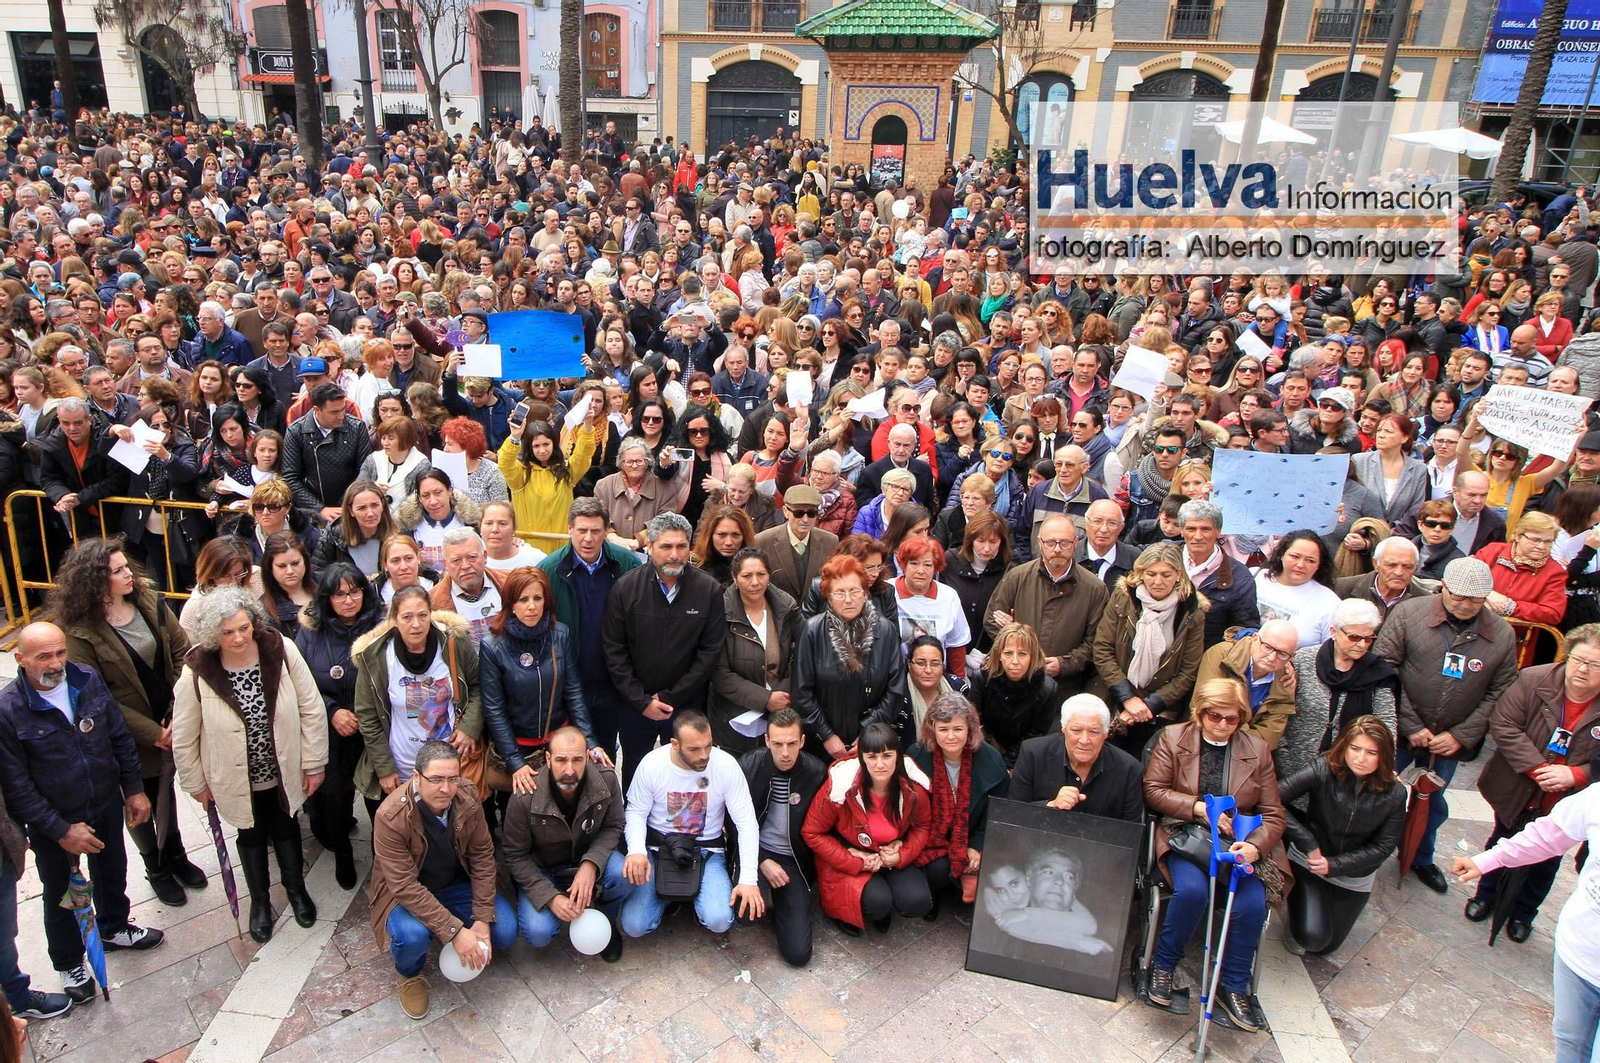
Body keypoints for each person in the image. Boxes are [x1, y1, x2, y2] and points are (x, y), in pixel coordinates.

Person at [0, 622, 163, 1004]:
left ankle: (114, 926)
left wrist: (134, 789)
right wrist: (59, 829)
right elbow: (16, 786)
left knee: (112, 870)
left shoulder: (86, 679)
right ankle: (70, 960)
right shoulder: (8, 711)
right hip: (53, 822)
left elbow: (118, 735)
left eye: (60, 652)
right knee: (61, 894)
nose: (56, 663)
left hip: (103, 801)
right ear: (20, 659)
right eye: (44, 656)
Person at [171, 588, 326, 942]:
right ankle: (259, 902)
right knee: (250, 834)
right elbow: (184, 733)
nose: (239, 637)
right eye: (228, 632)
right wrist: (195, 783)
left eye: (243, 627)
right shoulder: (198, 669)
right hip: (236, 776)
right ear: (214, 634)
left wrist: (314, 762)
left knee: (286, 827)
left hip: (282, 767)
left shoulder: (280, 650)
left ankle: (296, 891)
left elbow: (311, 707)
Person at [1143, 677, 1287, 1032]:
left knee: (1252, 904)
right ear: (1200, 713)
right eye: (1214, 717)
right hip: (1188, 835)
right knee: (1192, 892)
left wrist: (1255, 846)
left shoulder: (1257, 749)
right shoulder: (1174, 738)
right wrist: (1196, 808)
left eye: (1232, 719)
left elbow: (1273, 813)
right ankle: (1163, 963)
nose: (1222, 725)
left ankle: (1234, 984)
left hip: (1239, 842)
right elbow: (1154, 790)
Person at [1374, 557, 1521, 893]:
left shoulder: (1501, 633)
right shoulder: (1410, 613)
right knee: (1377, 787)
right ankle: (1362, 847)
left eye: (1475, 600)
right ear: (1444, 588)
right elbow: (1384, 669)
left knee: (1432, 800)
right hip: (1399, 729)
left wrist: (1460, 735)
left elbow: (1501, 691)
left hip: (1450, 738)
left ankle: (1421, 858)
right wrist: (1410, 724)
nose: (1465, 605)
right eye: (1458, 597)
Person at [1450, 759, 1600, 1063]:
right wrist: (1488, 860)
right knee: (1569, 1042)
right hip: (1580, 953)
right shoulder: (1596, 798)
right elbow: (1548, 836)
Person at [1464, 625, 1600, 942]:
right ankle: (1485, 896)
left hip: (1566, 798)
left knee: (1548, 859)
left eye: (1595, 665)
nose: (1583, 670)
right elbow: (1504, 723)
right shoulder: (1533, 679)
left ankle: (1524, 913)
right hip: (1518, 786)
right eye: (1579, 660)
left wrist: (1577, 774)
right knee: (1503, 838)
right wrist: (1537, 767)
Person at [367, 739, 516, 1021]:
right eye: (435, 779)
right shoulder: (390, 816)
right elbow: (404, 887)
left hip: (455, 884)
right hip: (406, 896)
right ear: (416, 777)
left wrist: (483, 917)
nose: (446, 789)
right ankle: (409, 974)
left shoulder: (467, 796)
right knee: (411, 937)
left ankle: (452, 928)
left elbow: (483, 855)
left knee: (505, 932)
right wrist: (455, 932)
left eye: (452, 779)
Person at [602, 513, 726, 791]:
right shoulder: (625, 588)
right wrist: (641, 700)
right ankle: (634, 829)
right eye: (666, 547)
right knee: (636, 773)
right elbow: (614, 650)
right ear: (650, 548)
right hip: (635, 706)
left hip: (685, 705)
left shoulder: (708, 590)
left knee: (685, 774)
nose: (674, 554)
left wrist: (672, 697)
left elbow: (709, 653)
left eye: (681, 546)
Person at [619, 711, 765, 938]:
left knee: (719, 920)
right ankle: (671, 898)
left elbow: (746, 822)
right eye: (694, 749)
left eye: (708, 746)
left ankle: (695, 899)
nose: (704, 755)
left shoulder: (725, 764)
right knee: (634, 925)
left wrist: (748, 879)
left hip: (706, 849)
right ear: (675, 744)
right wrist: (636, 851)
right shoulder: (652, 764)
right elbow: (636, 812)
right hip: (659, 848)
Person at [497, 725, 630, 962]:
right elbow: (515, 856)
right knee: (538, 933)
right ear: (548, 759)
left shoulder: (607, 779)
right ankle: (549, 902)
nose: (570, 769)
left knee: (622, 874)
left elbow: (614, 826)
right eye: (561, 760)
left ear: (588, 756)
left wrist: (591, 865)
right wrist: (550, 897)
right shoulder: (523, 797)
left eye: (577, 759)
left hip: (586, 856)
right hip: (543, 868)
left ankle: (606, 922)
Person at [351, 585, 485, 821]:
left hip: (451, 764)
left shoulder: (453, 643)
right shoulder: (377, 657)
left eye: (423, 615)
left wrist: (469, 728)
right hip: (402, 764)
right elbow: (368, 716)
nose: (416, 624)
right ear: (394, 619)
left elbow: (478, 687)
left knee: (453, 831)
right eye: (407, 617)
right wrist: (384, 768)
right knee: (403, 834)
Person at [1278, 716, 1405, 955]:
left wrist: (1334, 865)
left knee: (1327, 947)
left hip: (1353, 874)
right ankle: (1296, 915)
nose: (1360, 759)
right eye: (1355, 749)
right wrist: (1307, 841)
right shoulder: (1324, 767)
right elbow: (1273, 799)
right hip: (1310, 862)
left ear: (1384, 755)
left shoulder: (1395, 792)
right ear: (1344, 746)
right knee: (1311, 937)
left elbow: (1384, 846)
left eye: (1371, 752)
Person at [295, 563, 381, 890]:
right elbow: (300, 683)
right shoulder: (310, 631)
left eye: (355, 592)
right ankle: (342, 855)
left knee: (376, 795)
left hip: (371, 726)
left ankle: (383, 857)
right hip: (328, 729)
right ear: (326, 597)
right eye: (339, 594)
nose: (348, 600)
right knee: (335, 797)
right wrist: (332, 711)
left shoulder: (381, 625)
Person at [479, 566, 603, 793]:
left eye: (537, 598)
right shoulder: (493, 645)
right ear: (511, 604)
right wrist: (516, 762)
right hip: (517, 747)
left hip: (557, 745)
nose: (531, 606)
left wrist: (590, 741)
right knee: (519, 815)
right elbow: (494, 709)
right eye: (523, 599)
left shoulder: (560, 635)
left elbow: (573, 692)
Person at [802, 721, 933, 936]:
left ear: (898, 757)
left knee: (917, 901)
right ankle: (854, 913)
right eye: (872, 757)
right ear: (861, 758)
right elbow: (812, 832)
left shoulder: (912, 787)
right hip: (850, 852)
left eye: (887, 756)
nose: (880, 764)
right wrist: (852, 859)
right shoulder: (839, 788)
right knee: (877, 902)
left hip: (888, 854)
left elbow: (923, 825)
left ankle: (881, 903)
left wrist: (902, 854)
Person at [1090, 542, 1209, 754]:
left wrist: (1147, 706)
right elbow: (1103, 649)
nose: (1158, 581)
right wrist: (1127, 697)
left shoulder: (1192, 612)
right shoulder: (1123, 597)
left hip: (1161, 708)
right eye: (1151, 574)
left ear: (1179, 575)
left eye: (1166, 575)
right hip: (1114, 696)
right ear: (1141, 573)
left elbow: (1188, 671)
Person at [732, 708, 827, 966]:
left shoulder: (817, 772)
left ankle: (785, 905)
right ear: (766, 741)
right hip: (755, 851)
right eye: (777, 744)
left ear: (802, 742)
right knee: (743, 916)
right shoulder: (748, 766)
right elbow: (732, 823)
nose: (785, 753)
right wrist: (761, 859)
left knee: (798, 954)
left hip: (793, 858)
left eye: (792, 744)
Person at [793, 554, 907, 757]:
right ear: (828, 596)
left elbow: (895, 690)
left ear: (865, 594)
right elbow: (802, 693)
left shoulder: (886, 631)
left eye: (855, 591)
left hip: (872, 743)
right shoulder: (812, 631)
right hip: (821, 744)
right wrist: (826, 735)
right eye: (839, 593)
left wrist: (867, 731)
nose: (848, 599)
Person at [984, 514, 1108, 698]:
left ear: (1075, 543)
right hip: (1014, 686)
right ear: (1040, 543)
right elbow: (992, 620)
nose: (1057, 549)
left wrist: (1064, 664)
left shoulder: (1094, 589)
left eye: (1064, 543)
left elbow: (1095, 641)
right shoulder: (1017, 577)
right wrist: (1020, 647)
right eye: (1050, 543)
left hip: (1064, 689)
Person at [906, 693, 1008, 918]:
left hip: (972, 834)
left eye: (958, 729)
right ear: (933, 729)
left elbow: (998, 810)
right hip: (932, 838)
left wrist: (976, 844)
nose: (951, 736)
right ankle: (934, 894)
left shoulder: (991, 760)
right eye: (943, 729)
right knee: (937, 869)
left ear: (970, 729)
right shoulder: (916, 756)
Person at [1277, 599, 1399, 783]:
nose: (1361, 644)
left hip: (1346, 776)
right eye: (1354, 637)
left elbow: (1386, 725)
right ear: (1334, 631)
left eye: (1368, 638)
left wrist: (1383, 761)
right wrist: (1282, 750)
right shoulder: (1303, 660)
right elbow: (1278, 707)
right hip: (1293, 765)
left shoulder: (1378, 673)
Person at [710, 547, 801, 754]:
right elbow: (719, 673)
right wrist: (765, 699)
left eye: (761, 574)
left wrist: (782, 693)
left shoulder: (786, 608)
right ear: (734, 577)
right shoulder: (720, 613)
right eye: (746, 575)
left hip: (783, 710)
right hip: (735, 714)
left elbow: (804, 657)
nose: (755, 582)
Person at [1009, 693, 1146, 821]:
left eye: (1094, 732)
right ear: (1063, 729)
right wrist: (1050, 805)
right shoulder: (1033, 753)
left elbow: (1130, 834)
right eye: (1076, 730)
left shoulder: (1129, 770)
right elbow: (1012, 814)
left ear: (1105, 734)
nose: (1084, 740)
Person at [1193, 619, 1302, 750]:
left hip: (1245, 754)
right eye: (1267, 647)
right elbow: (1206, 711)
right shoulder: (1221, 656)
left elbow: (1270, 735)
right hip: (1199, 740)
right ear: (1254, 639)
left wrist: (1242, 746)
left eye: (1282, 653)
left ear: (1291, 657)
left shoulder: (1286, 680)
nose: (1272, 657)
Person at [280, 383, 372, 524]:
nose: (341, 416)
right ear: (317, 409)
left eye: (343, 410)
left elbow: (364, 470)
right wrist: (319, 509)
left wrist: (348, 503)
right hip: (311, 513)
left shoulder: (357, 427)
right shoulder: (296, 431)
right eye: (334, 412)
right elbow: (290, 477)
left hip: (350, 508)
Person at [1477, 511, 1569, 627]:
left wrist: (1510, 607)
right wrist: (1487, 594)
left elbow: (1553, 613)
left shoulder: (1555, 572)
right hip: (1472, 624)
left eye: (1548, 541)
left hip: (1514, 637)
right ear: (1518, 536)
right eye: (1536, 540)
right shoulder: (1492, 551)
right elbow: (1465, 579)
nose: (1541, 547)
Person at [1254, 529, 1341, 647]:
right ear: (1282, 554)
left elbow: (1331, 652)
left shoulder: (1330, 603)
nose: (1300, 565)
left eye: (1310, 560)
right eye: (1295, 556)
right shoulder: (1254, 577)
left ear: (1319, 565)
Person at [754, 484, 839, 604]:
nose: (805, 519)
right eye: (798, 513)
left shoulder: (830, 541)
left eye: (811, 513)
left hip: (815, 616)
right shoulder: (762, 541)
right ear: (785, 512)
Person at [1333, 537, 1427, 621]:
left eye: (1408, 567)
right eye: (1391, 565)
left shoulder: (1425, 602)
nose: (1399, 572)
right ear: (1375, 564)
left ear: (1415, 568)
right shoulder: (1340, 589)